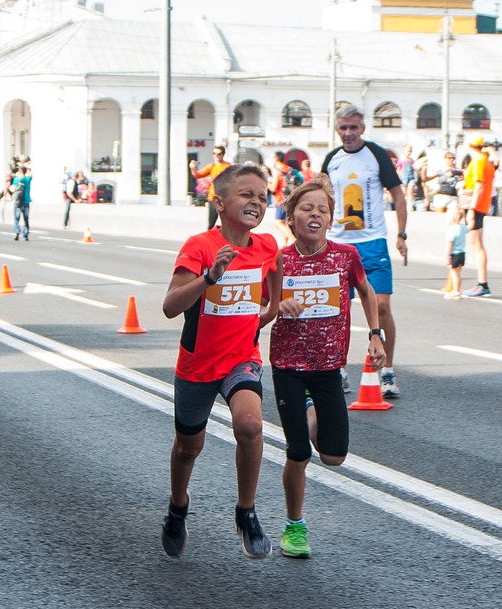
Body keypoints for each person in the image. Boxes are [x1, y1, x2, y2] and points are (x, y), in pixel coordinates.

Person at [159, 163, 280, 560]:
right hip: (197, 365)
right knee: (187, 448)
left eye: (262, 197)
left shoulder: (265, 247)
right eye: (247, 194)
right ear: (219, 201)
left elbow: (273, 283)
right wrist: (210, 277)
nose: (256, 202)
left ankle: (245, 512)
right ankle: (178, 508)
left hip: (241, 359)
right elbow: (170, 307)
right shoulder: (199, 246)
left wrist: (272, 310)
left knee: (249, 425)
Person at [264, 174, 384, 558]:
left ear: (331, 219)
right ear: (291, 218)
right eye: (306, 209)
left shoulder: (345, 256)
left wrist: (376, 335)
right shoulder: (279, 260)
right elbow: (259, 309)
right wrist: (275, 307)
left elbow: (366, 292)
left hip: (329, 367)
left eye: (322, 210)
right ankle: (294, 528)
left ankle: (311, 414)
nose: (315, 215)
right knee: (298, 452)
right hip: (288, 366)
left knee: (333, 457)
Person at [321, 104, 406, 398]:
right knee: (338, 311)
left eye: (353, 127)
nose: (348, 133)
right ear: (337, 130)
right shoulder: (331, 160)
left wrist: (402, 233)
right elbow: (321, 197)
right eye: (343, 128)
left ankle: (387, 371)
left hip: (373, 243)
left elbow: (397, 193)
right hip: (339, 244)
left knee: (381, 307)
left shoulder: (376, 155)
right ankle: (338, 369)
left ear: (363, 128)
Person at [460, 136, 496, 297]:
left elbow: (479, 186)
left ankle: (482, 283)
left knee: (476, 244)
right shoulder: (485, 161)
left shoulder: (479, 161)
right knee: (476, 243)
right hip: (480, 206)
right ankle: (481, 283)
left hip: (475, 206)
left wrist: (472, 210)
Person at [189, 145, 230, 229]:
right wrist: (193, 168)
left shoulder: (228, 166)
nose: (216, 156)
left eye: (219, 154)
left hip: (226, 197)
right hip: (213, 197)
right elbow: (198, 175)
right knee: (211, 223)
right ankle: (208, 238)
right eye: (214, 153)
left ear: (223, 155)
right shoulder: (211, 166)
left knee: (228, 223)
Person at [443, 204, 468, 299]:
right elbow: (470, 227)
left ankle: (456, 291)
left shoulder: (451, 230)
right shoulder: (462, 228)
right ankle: (458, 289)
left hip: (455, 254)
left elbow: (450, 244)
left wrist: (447, 257)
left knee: (454, 274)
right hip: (462, 253)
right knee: (458, 273)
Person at [13, 166, 32, 241]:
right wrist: (28, 170)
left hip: (18, 202)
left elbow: (13, 189)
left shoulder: (17, 179)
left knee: (17, 218)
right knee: (26, 218)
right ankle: (26, 234)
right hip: (26, 201)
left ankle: (17, 231)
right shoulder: (28, 179)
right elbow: (31, 175)